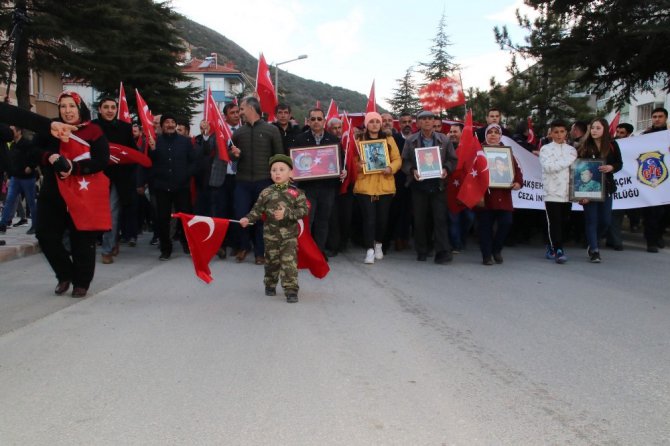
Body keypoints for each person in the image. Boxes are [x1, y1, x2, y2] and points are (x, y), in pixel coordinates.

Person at [1, 92, 110, 297]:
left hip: (82, 192)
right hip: (54, 191)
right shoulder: (49, 128)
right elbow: (31, 152)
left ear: (80, 108)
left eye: (71, 106)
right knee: (45, 234)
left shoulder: (94, 131)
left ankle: (81, 282)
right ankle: (64, 274)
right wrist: (49, 157)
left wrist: (74, 167)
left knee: (82, 239)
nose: (67, 111)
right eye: (63, 107)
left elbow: (102, 160)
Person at [239, 154, 308, 303]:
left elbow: (304, 211)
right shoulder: (266, 193)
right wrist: (247, 219)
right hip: (270, 236)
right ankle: (270, 284)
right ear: (270, 174)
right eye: (274, 170)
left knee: (289, 263)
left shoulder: (296, 193)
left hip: (289, 237)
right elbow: (256, 211)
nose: (277, 173)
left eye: (282, 169)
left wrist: (287, 213)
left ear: (290, 173)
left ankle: (291, 290)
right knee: (271, 263)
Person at [229, 96, 284, 265]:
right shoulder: (238, 132)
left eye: (242, 109)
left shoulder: (271, 130)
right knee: (241, 216)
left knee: (261, 218)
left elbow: (279, 156)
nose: (240, 112)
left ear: (251, 109)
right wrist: (234, 155)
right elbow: (232, 157)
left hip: (264, 181)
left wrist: (279, 181)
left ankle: (260, 253)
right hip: (243, 182)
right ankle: (244, 247)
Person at [402, 110, 457, 263]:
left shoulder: (444, 140)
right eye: (423, 119)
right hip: (419, 186)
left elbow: (452, 159)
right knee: (419, 220)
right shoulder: (410, 140)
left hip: (438, 185)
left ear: (434, 122)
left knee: (440, 219)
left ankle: (442, 252)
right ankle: (422, 250)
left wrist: (446, 169)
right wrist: (412, 171)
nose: (427, 121)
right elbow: (404, 161)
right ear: (418, 123)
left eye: (430, 119)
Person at [290, 107, 343, 258]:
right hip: (308, 189)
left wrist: (342, 170)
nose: (316, 122)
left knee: (323, 221)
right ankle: (306, 253)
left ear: (324, 121)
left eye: (319, 119)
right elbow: (294, 163)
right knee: (308, 221)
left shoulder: (333, 140)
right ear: (308, 121)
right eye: (313, 119)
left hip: (327, 188)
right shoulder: (300, 139)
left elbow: (341, 161)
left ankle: (319, 252)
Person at [93, 97, 139, 264]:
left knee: (112, 212)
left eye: (113, 107)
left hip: (119, 178)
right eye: (106, 107)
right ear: (100, 109)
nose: (110, 110)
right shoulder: (92, 127)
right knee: (99, 213)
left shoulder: (125, 128)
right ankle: (112, 242)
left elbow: (132, 152)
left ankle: (107, 249)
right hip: (95, 177)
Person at [354, 111, 402, 264]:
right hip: (365, 186)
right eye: (371, 121)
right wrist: (358, 166)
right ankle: (369, 250)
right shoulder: (359, 139)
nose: (374, 124)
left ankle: (379, 244)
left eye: (377, 121)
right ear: (366, 124)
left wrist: (391, 168)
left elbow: (397, 159)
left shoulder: (388, 139)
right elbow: (352, 161)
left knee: (382, 219)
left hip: (385, 185)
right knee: (369, 219)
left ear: (380, 123)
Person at [148, 113, 196, 261]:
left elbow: (193, 162)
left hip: (181, 187)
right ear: (162, 125)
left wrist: (185, 176)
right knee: (162, 219)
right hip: (162, 187)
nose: (169, 124)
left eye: (172, 122)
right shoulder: (155, 141)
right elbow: (150, 163)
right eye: (166, 122)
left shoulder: (185, 142)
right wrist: (153, 150)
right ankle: (165, 248)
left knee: (185, 218)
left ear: (175, 125)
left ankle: (188, 244)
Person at [577, 117, 623, 263]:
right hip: (589, 189)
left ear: (604, 129)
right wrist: (580, 194)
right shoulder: (584, 146)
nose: (594, 131)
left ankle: (593, 241)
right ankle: (595, 250)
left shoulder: (612, 145)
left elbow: (619, 163)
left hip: (607, 187)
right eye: (592, 128)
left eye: (598, 128)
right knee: (592, 220)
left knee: (605, 221)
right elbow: (577, 169)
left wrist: (611, 167)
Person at [477, 123, 523, 265]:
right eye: (490, 132)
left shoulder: (507, 153)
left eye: (496, 132)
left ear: (500, 135)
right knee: (485, 227)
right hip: (486, 196)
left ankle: (496, 249)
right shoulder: (479, 152)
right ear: (486, 135)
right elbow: (473, 173)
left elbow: (517, 172)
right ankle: (486, 255)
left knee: (506, 223)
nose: (493, 135)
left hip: (504, 196)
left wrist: (517, 183)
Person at [539, 120, 577, 264]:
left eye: (562, 131)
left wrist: (565, 162)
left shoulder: (571, 150)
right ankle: (558, 249)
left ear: (566, 132)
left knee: (564, 221)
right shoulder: (545, 149)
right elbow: (548, 167)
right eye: (556, 132)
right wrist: (567, 162)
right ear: (551, 133)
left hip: (567, 191)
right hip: (552, 191)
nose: (559, 135)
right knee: (554, 222)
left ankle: (552, 244)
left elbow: (574, 169)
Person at [0, 126, 38, 235]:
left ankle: (35, 225)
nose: (10, 132)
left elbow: (35, 156)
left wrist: (31, 166)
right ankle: (3, 224)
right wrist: (9, 176)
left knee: (31, 203)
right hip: (15, 178)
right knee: (9, 201)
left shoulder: (27, 143)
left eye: (12, 130)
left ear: (18, 131)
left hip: (28, 179)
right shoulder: (12, 145)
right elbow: (10, 161)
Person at [641, 107, 668, 252]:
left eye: (660, 116)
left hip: (666, 181)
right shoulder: (646, 135)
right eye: (655, 116)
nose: (657, 119)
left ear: (666, 118)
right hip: (650, 179)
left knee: (664, 211)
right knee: (652, 211)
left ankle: (659, 234)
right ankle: (651, 240)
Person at [446, 122, 474, 253]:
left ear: (462, 134)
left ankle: (462, 239)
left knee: (469, 218)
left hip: (467, 190)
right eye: (451, 132)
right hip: (451, 189)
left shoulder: (470, 148)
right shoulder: (445, 147)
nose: (452, 134)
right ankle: (456, 244)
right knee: (454, 218)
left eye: (455, 132)